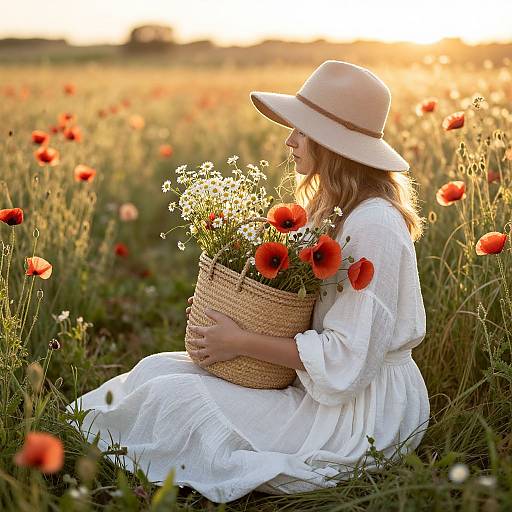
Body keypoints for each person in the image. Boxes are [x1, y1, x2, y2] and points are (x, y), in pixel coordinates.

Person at [66, 60, 430, 503]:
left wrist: (238, 341)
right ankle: (72, 437)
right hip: (325, 386)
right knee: (157, 369)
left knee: (176, 397)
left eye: (301, 130)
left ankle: (82, 456)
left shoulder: (375, 225)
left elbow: (348, 361)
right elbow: (307, 313)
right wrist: (230, 318)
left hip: (361, 413)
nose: (289, 140)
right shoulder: (335, 206)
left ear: (332, 144)